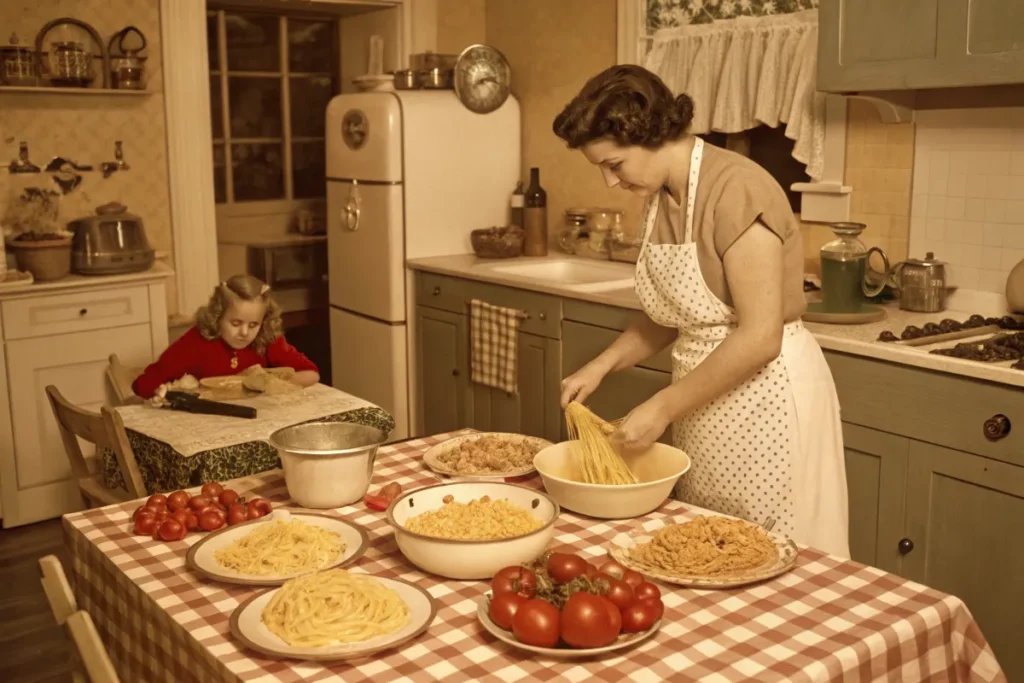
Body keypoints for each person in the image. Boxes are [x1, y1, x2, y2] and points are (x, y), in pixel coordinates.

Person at [554, 65, 849, 557]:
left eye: (615, 164)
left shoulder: (736, 189)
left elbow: (759, 337)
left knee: (775, 554)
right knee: (713, 550)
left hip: (768, 401)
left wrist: (663, 406)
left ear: (647, 134)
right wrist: (602, 364)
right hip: (707, 399)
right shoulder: (662, 196)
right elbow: (678, 312)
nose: (609, 182)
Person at [132, 275, 320, 398]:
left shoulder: (266, 338)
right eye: (236, 324)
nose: (245, 333)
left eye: (253, 324)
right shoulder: (197, 341)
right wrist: (167, 392)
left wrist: (271, 383)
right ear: (217, 316)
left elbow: (311, 374)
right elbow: (143, 384)